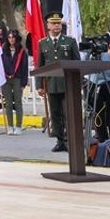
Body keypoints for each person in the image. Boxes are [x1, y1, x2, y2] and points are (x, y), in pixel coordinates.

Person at [37, 12, 79, 152]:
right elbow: (40, 66)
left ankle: (70, 140)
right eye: (53, 23)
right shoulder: (43, 43)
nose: (56, 26)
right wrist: (39, 85)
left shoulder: (70, 41)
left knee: (68, 113)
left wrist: (77, 82)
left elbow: (76, 63)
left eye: (58, 23)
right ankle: (60, 141)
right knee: (55, 114)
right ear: (48, 25)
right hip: (51, 84)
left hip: (67, 84)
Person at [0, 28, 29, 135]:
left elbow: (25, 68)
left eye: (13, 37)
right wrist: (0, 80)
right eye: (9, 37)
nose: (11, 39)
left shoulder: (22, 51)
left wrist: (23, 83)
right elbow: (0, 66)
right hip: (6, 80)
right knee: (8, 104)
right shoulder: (3, 50)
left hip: (17, 79)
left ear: (17, 38)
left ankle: (19, 126)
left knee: (18, 103)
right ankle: (10, 126)